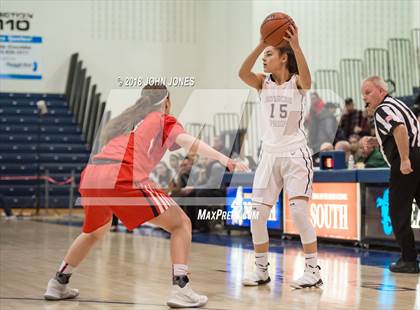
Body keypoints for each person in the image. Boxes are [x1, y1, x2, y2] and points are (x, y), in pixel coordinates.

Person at [43, 84, 248, 307]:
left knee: (93, 232)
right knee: (181, 223)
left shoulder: (126, 122)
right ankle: (180, 288)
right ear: (167, 101)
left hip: (93, 174)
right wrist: (225, 159)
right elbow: (188, 142)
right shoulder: (163, 119)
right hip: (122, 175)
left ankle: (58, 283)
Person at [238, 24, 322, 289]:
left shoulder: (296, 83)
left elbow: (308, 81)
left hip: (295, 154)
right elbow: (241, 73)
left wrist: (296, 45)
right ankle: (261, 270)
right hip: (269, 156)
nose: (264, 58)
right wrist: (261, 44)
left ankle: (313, 270)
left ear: (283, 57)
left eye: (269, 54)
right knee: (257, 217)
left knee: (298, 213)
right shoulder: (263, 83)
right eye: (264, 55)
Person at [361, 76, 420, 273]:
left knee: (397, 212)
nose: (364, 97)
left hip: (408, 160)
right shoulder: (397, 104)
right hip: (418, 154)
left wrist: (404, 159)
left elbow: (400, 129)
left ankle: (409, 260)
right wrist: (377, 140)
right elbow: (404, 130)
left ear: (381, 91)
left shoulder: (382, 109)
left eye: (368, 92)